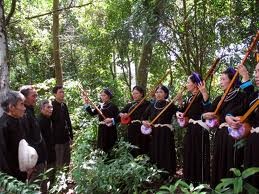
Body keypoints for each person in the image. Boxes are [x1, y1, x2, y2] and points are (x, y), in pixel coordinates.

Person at [201, 67, 249, 187]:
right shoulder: (220, 98)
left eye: (223, 79)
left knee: (231, 162)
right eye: (220, 79)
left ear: (232, 80)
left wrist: (246, 78)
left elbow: (245, 108)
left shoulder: (240, 95)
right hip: (220, 134)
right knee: (219, 161)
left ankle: (231, 189)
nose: (220, 82)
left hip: (233, 134)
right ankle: (217, 188)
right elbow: (209, 111)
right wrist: (204, 96)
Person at [225, 63, 259, 189]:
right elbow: (238, 108)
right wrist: (228, 117)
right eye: (255, 71)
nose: (256, 75)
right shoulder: (255, 97)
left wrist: (244, 76)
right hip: (253, 145)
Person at [176, 72, 210, 184]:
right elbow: (183, 112)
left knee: (199, 153)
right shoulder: (189, 98)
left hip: (200, 128)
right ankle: (190, 178)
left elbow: (208, 108)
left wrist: (204, 92)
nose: (186, 84)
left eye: (188, 82)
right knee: (189, 151)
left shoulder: (201, 95)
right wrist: (180, 101)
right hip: (190, 128)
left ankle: (201, 180)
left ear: (195, 84)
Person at [142, 85, 177, 178]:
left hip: (166, 132)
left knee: (166, 150)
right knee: (155, 150)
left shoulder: (170, 105)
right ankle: (156, 173)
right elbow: (143, 118)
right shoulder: (151, 105)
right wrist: (145, 123)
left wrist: (180, 102)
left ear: (165, 94)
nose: (158, 94)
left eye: (161, 92)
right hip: (155, 132)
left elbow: (180, 114)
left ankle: (168, 174)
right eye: (157, 92)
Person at [20, 85, 47, 192]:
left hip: (40, 159)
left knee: (42, 187)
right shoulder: (24, 115)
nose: (36, 98)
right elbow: (25, 140)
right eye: (33, 96)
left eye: (36, 95)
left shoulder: (30, 111)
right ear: (24, 98)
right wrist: (30, 164)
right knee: (35, 188)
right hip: (34, 162)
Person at [0, 91, 27, 181]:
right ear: (11, 107)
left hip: (22, 171)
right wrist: (10, 180)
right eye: (21, 104)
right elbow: (2, 156)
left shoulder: (19, 120)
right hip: (11, 178)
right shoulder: (3, 125)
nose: (24, 108)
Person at [83, 88, 119, 153]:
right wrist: (86, 103)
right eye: (101, 95)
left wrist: (111, 120)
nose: (102, 97)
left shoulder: (113, 106)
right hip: (101, 129)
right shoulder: (100, 106)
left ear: (108, 96)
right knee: (101, 147)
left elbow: (118, 118)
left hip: (110, 129)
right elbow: (92, 113)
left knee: (110, 147)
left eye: (104, 95)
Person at [119, 86, 150, 157]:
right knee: (132, 145)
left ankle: (144, 162)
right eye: (133, 93)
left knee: (143, 144)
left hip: (143, 128)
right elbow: (120, 113)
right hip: (132, 128)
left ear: (142, 94)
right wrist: (123, 115)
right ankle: (133, 162)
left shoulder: (148, 104)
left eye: (136, 93)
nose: (134, 95)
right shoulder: (130, 104)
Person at [51, 85, 73, 168]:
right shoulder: (51, 106)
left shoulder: (64, 105)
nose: (62, 94)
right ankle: (60, 179)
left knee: (67, 160)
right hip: (57, 140)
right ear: (55, 94)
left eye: (63, 92)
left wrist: (71, 136)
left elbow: (68, 121)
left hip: (66, 138)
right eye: (60, 92)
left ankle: (66, 179)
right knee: (59, 161)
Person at [38, 99, 56, 185]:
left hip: (51, 151)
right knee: (46, 177)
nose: (51, 109)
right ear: (42, 109)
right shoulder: (40, 121)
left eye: (51, 107)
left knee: (52, 174)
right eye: (48, 107)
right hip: (45, 155)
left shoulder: (48, 119)